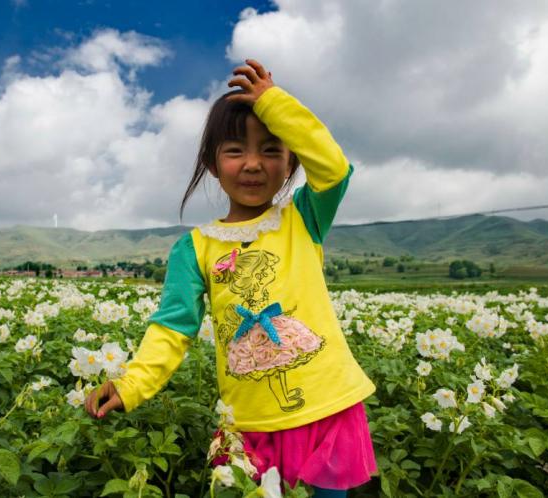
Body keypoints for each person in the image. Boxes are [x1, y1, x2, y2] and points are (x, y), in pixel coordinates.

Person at [84, 59, 377, 496]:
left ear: (292, 160)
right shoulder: (196, 247)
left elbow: (333, 167)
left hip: (323, 411)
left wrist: (275, 105)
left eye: (272, 150)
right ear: (212, 162)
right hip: (246, 421)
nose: (254, 164)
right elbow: (172, 326)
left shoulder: (303, 218)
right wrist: (132, 384)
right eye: (236, 150)